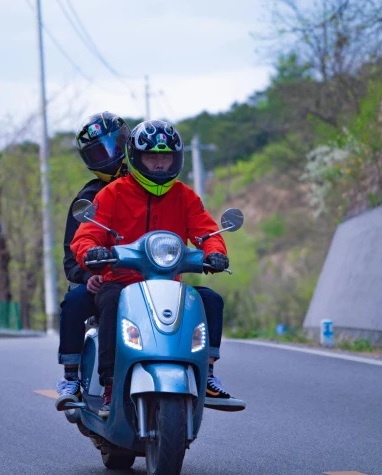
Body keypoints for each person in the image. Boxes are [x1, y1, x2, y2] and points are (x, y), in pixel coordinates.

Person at [71, 120, 244, 417]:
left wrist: (215, 253)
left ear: (177, 158)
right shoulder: (112, 193)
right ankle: (111, 384)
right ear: (136, 159)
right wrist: (91, 252)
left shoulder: (184, 195)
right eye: (152, 157)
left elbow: (205, 232)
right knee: (111, 302)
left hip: (168, 284)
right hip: (121, 282)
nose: (160, 164)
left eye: (166, 157)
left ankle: (208, 374)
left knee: (210, 301)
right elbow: (85, 235)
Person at [56, 112, 130, 405]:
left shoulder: (151, 188)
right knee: (73, 303)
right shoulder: (87, 199)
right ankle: (71, 377)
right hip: (103, 281)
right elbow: (70, 259)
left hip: (147, 278)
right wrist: (89, 277)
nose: (111, 155)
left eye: (116, 145)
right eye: (100, 151)